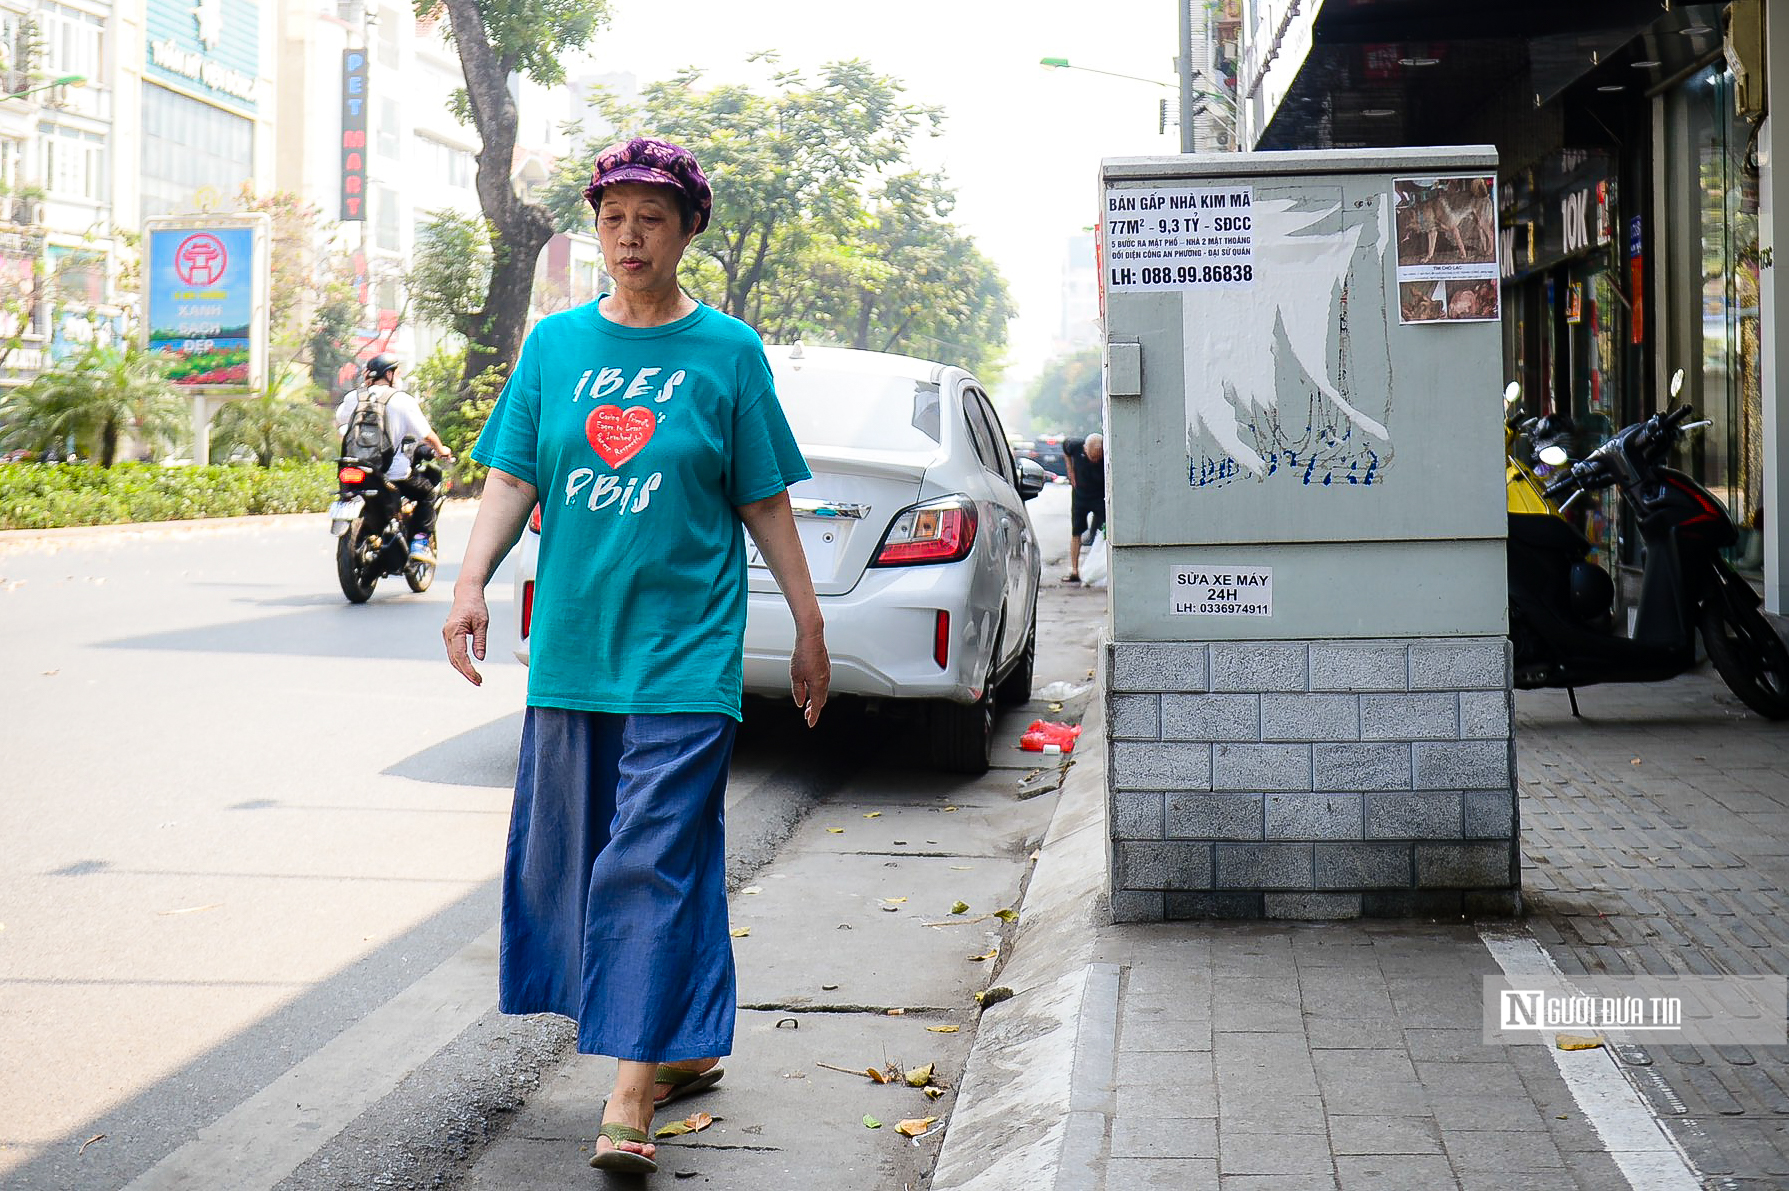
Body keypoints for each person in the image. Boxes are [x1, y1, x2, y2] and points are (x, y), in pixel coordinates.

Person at [440, 136, 830, 1177]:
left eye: (652, 218)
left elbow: (761, 498)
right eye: (613, 216)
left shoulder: (727, 353)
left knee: (645, 856)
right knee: (587, 862)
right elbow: (514, 478)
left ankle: (625, 1090)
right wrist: (470, 580)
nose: (629, 235)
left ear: (688, 230)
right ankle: (681, 1041)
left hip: (685, 657)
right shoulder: (554, 348)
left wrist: (808, 621)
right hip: (573, 650)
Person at [333, 353, 453, 563]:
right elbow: (426, 435)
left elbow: (340, 420)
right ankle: (420, 542)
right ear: (388, 374)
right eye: (396, 373)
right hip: (392, 472)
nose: (397, 377)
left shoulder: (355, 397)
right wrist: (442, 449)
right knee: (428, 493)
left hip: (355, 468)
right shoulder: (401, 400)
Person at [1062, 432, 1105, 583]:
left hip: (1100, 496)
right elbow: (1065, 449)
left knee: (1108, 531)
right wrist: (1070, 471)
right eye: (1091, 457)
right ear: (1084, 448)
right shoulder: (1074, 445)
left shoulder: (1107, 453)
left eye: (1097, 458)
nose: (1094, 460)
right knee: (1076, 532)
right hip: (1080, 495)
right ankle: (1074, 570)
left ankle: (1104, 567)